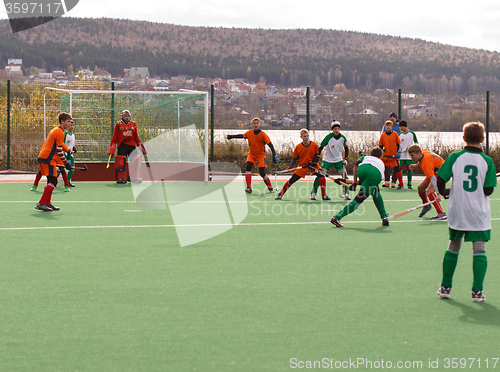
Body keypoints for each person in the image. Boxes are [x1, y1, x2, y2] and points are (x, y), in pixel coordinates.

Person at [436, 122, 496, 302]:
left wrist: (445, 192)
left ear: (463, 138)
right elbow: (488, 190)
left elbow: (440, 179)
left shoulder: (455, 157)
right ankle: (477, 292)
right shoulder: (487, 161)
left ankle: (445, 287)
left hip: (458, 210)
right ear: (483, 139)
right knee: (479, 249)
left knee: (453, 246)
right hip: (478, 213)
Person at [330, 147, 389, 227]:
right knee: (358, 199)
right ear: (380, 157)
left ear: (370, 154)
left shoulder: (365, 157)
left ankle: (384, 216)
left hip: (362, 169)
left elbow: (356, 167)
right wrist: (354, 183)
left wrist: (347, 181)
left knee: (376, 192)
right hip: (375, 174)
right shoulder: (380, 162)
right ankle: (337, 217)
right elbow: (370, 180)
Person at [227, 117, 279, 193]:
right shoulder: (249, 133)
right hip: (252, 155)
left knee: (262, 173)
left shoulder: (263, 134)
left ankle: (270, 187)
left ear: (260, 124)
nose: (256, 125)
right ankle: (249, 187)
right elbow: (242, 136)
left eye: (257, 123)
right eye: (254, 123)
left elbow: (271, 145)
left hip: (261, 156)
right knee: (248, 167)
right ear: (252, 124)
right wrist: (232, 136)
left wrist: (274, 155)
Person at [34, 112, 73, 211]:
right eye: (68, 122)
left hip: (47, 158)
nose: (69, 123)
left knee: (50, 181)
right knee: (53, 181)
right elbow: (59, 150)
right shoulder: (60, 132)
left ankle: (47, 203)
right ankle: (41, 203)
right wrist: (66, 163)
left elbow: (59, 145)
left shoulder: (56, 130)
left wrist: (68, 150)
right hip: (48, 158)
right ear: (62, 121)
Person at [275, 128, 328, 201]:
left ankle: (324, 195)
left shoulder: (314, 144)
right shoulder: (298, 147)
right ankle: (280, 194)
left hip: (313, 166)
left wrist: (314, 162)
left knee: (321, 174)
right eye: (304, 136)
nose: (306, 138)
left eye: (307, 136)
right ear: (301, 137)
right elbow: (294, 158)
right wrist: (290, 167)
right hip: (302, 166)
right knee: (292, 180)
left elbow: (317, 155)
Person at [310, 120, 351, 201]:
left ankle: (346, 194)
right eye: (335, 129)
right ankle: (313, 193)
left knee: (344, 175)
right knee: (320, 175)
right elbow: (321, 147)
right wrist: (317, 158)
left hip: (338, 160)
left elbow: (346, 148)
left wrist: (345, 158)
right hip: (327, 160)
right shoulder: (328, 137)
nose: (337, 130)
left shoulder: (343, 138)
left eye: (338, 129)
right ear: (332, 129)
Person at [407, 144, 446, 220]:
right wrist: (417, 165)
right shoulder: (423, 153)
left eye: (412, 156)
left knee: (429, 191)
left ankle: (441, 213)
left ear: (418, 153)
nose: (411, 158)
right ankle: (427, 206)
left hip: (442, 173)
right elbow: (429, 161)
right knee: (420, 188)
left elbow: (433, 179)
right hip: (435, 170)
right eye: (410, 156)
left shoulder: (426, 163)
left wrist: (438, 194)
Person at [108, 110, 146, 184]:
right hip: (122, 146)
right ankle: (121, 178)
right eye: (125, 116)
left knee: (135, 162)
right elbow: (114, 137)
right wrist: (112, 146)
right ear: (122, 117)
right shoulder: (118, 124)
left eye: (128, 116)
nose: (127, 118)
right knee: (121, 163)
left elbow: (136, 137)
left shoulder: (133, 124)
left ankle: (134, 178)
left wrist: (139, 145)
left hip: (131, 146)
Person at [379, 120, 403, 189]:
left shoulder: (395, 134)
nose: (388, 127)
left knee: (396, 169)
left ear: (392, 127)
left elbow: (399, 145)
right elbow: (380, 146)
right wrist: (380, 154)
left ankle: (394, 182)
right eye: (387, 125)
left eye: (389, 125)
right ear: (385, 127)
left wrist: (398, 152)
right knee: (386, 169)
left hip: (394, 155)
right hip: (386, 156)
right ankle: (386, 181)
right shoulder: (383, 135)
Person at [398, 120, 418, 189]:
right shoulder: (400, 134)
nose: (400, 128)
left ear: (404, 126)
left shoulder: (412, 133)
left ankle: (409, 183)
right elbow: (397, 144)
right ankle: (401, 183)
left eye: (401, 126)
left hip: (409, 155)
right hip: (401, 155)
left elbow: (416, 142)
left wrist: (414, 149)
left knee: (409, 169)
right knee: (400, 168)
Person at [64, 119, 77, 187]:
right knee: (60, 169)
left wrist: (73, 148)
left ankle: (68, 182)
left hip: (70, 155)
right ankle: (52, 181)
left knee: (72, 168)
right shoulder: (65, 134)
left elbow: (72, 143)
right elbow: (62, 144)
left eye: (73, 125)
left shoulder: (73, 134)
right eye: (70, 125)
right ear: (68, 126)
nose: (72, 127)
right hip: (64, 155)